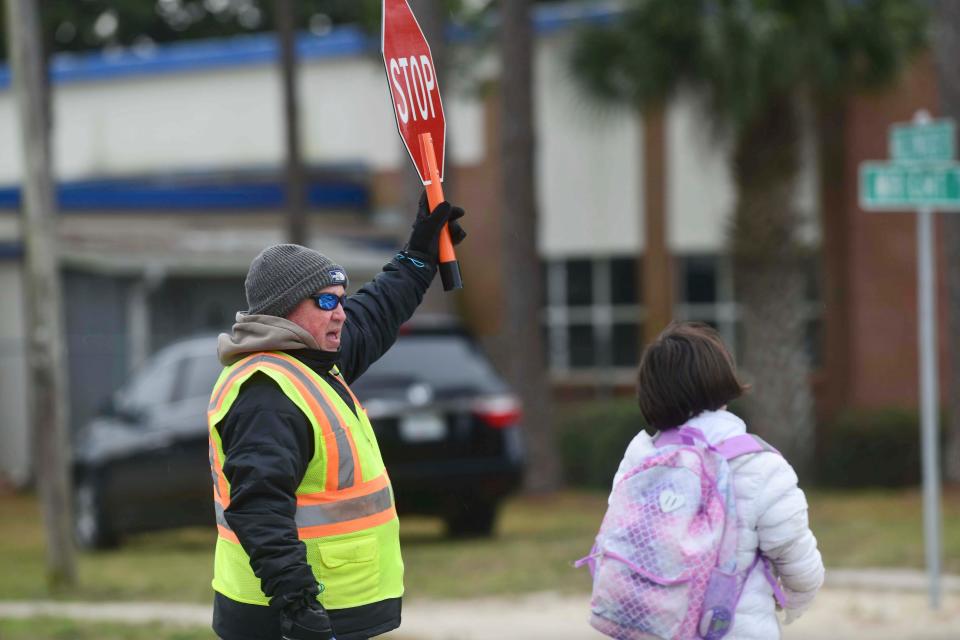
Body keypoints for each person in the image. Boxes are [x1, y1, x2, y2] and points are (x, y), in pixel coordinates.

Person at [206, 195, 466, 640]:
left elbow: (377, 312)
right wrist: (298, 603)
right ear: (285, 308)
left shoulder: (310, 361)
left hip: (327, 612)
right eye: (326, 302)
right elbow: (259, 509)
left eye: (341, 300)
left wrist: (419, 254)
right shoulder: (266, 392)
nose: (341, 313)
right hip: (291, 620)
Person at [612, 322, 824, 639]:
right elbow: (797, 560)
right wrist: (791, 601)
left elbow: (619, 541)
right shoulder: (758, 463)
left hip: (650, 628)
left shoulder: (639, 460)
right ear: (720, 382)